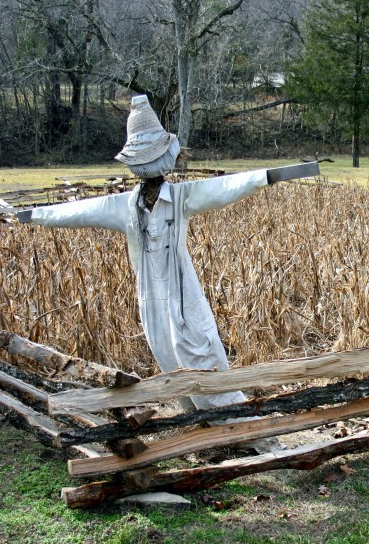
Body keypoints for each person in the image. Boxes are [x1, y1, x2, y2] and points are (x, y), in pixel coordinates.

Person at [18, 95, 312, 453]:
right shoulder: (124, 208)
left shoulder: (183, 198)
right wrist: (36, 215)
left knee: (205, 366)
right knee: (172, 367)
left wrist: (275, 175)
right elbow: (78, 212)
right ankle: (206, 437)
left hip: (184, 301)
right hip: (153, 306)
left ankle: (260, 440)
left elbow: (227, 187)